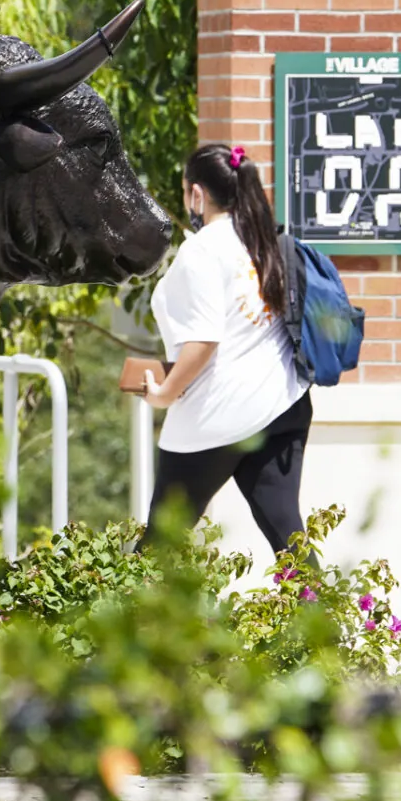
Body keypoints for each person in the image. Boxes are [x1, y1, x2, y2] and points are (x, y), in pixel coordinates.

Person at [137, 143, 313, 553]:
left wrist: (164, 393)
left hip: (216, 417)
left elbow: (204, 340)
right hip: (283, 406)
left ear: (196, 194)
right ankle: (326, 615)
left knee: (159, 547)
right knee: (289, 537)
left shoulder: (202, 249)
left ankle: (132, 618)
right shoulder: (263, 240)